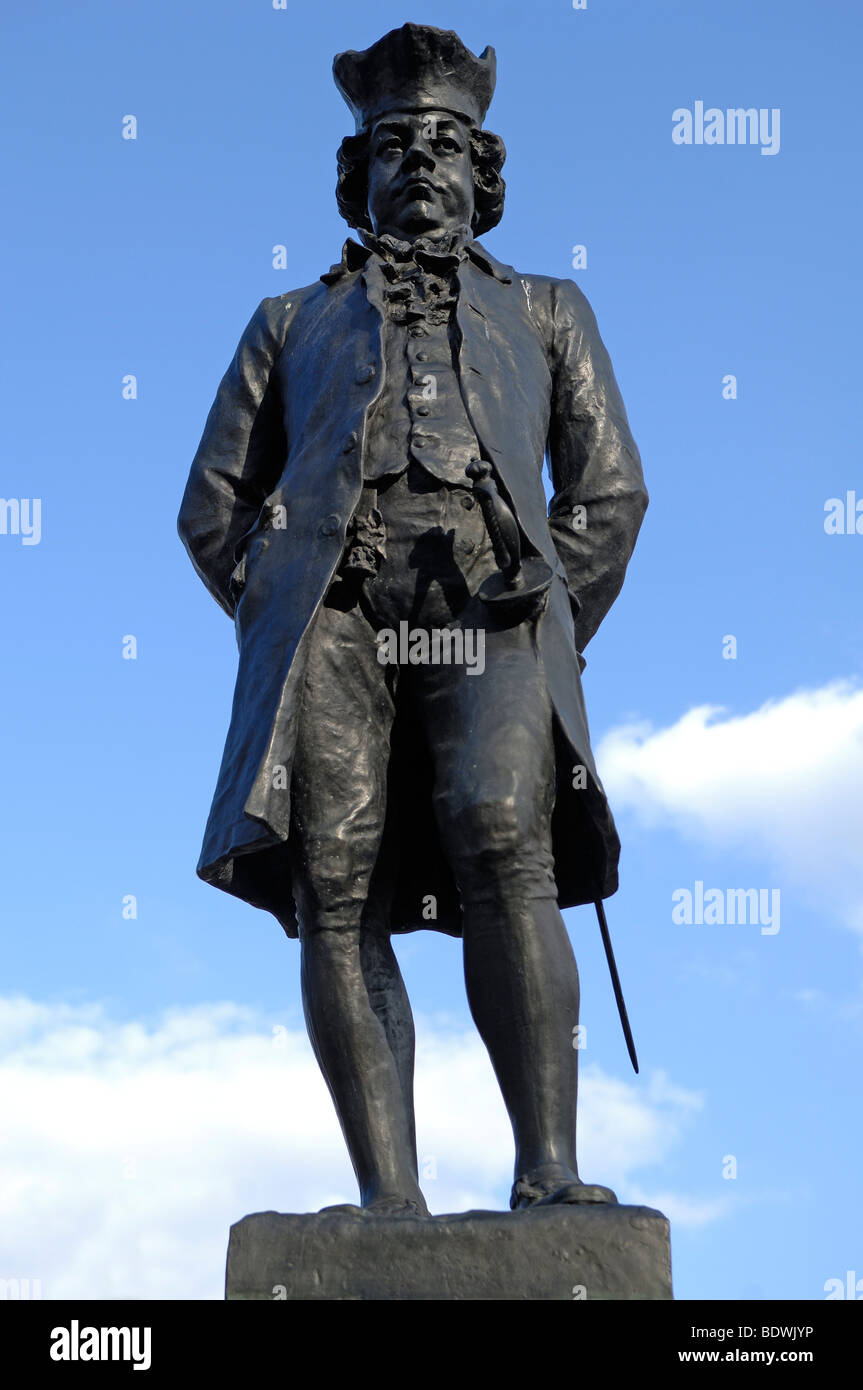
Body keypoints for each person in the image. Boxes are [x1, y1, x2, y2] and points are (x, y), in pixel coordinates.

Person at [178, 23, 647, 1216]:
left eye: (444, 143)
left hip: (488, 610)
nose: (420, 162)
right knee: (332, 881)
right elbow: (211, 506)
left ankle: (545, 1166)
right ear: (360, 171)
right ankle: (390, 1195)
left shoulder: (547, 308)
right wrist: (282, 606)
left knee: (502, 831)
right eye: (394, 145)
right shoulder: (287, 320)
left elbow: (608, 492)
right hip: (333, 618)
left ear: (481, 171)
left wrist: (549, 614)